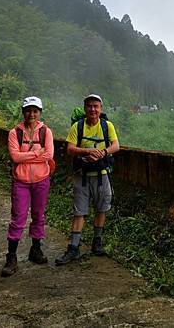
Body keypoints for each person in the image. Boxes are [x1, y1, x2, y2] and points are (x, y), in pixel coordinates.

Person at [56, 93, 119, 265]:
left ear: (101, 109)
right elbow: (70, 148)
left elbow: (115, 145)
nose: (93, 109)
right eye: (89, 106)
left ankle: (96, 243)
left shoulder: (107, 126)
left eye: (96, 106)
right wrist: (87, 152)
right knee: (79, 212)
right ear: (85, 109)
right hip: (81, 175)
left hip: (102, 175)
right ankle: (74, 248)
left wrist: (102, 153)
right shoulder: (78, 126)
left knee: (101, 209)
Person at [1, 96, 54, 277]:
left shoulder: (46, 132)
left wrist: (29, 154)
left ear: (40, 113)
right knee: (18, 218)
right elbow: (15, 157)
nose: (32, 114)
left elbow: (49, 155)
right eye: (28, 110)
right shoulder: (15, 133)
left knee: (39, 215)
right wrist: (36, 152)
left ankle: (35, 249)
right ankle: (11, 256)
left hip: (41, 180)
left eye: (35, 111)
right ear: (23, 112)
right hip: (21, 182)